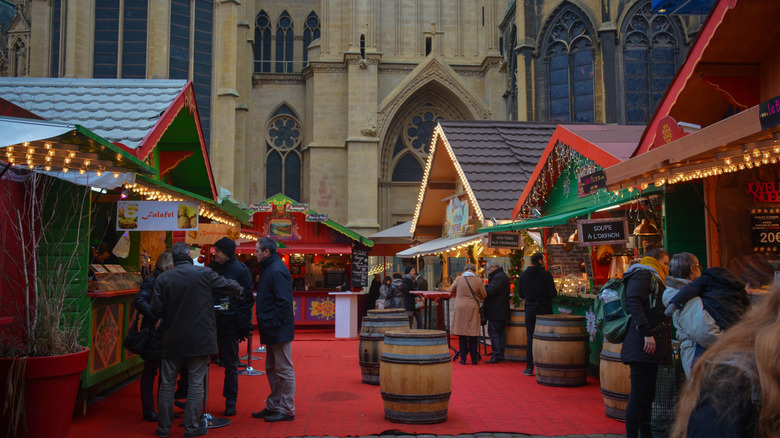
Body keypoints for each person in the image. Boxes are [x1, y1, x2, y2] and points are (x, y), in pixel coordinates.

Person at [151, 241, 242, 438]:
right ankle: (191, 427)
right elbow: (229, 287)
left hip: (173, 337)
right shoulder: (204, 274)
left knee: (167, 383)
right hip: (200, 337)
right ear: (189, 256)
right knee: (195, 382)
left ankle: (163, 427)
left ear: (174, 259)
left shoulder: (164, 278)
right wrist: (238, 287)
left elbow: (156, 309)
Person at [669, 284, 780, 438]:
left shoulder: (693, 299)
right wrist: (723, 339)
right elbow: (704, 332)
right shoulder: (734, 378)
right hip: (701, 352)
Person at [620, 247, 671, 438]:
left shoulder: (654, 276)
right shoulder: (644, 274)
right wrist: (646, 332)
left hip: (649, 344)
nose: (667, 267)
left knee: (647, 396)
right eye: (665, 263)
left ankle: (646, 434)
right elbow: (633, 300)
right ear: (656, 260)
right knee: (639, 396)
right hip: (642, 344)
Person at [251, 237, 296, 423]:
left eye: (257, 251)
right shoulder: (271, 268)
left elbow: (283, 302)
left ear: (266, 252)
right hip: (272, 327)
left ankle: (286, 409)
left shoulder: (276, 270)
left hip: (277, 328)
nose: (255, 254)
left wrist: (273, 323)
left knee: (284, 369)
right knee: (271, 367)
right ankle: (274, 404)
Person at [208, 237, 255, 417]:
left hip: (229, 322)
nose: (215, 254)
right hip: (211, 320)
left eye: (218, 251)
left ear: (227, 253)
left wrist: (242, 325)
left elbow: (247, 299)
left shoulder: (240, 270)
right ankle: (196, 399)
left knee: (230, 363)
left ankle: (231, 400)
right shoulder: (211, 268)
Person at [133, 250, 173, 422]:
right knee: (151, 371)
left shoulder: (169, 279)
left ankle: (164, 408)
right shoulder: (152, 280)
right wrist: (155, 317)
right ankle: (148, 409)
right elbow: (140, 301)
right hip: (155, 332)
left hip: (167, 330)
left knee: (166, 373)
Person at [662, 252, 713, 376]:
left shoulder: (684, 294)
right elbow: (703, 332)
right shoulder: (686, 297)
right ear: (692, 269)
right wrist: (729, 341)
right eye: (699, 267)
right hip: (696, 352)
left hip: (695, 350)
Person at [664, 266, 750, 332]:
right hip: (736, 320)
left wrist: (673, 304)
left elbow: (689, 290)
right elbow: (747, 304)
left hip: (717, 316)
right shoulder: (737, 285)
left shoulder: (706, 278)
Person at [516, 252, 557, 376]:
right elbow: (553, 294)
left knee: (530, 337)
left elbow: (521, 294)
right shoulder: (546, 274)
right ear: (539, 261)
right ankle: (547, 365)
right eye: (543, 260)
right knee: (547, 337)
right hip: (544, 308)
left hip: (530, 308)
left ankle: (529, 367)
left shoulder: (524, 275)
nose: (544, 262)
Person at [449, 263, 487, 365]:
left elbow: (450, 290)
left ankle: (463, 360)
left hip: (461, 307)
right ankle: (474, 359)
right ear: (474, 271)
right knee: (473, 334)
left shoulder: (459, 279)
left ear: (464, 270)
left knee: (462, 334)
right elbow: (484, 295)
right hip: (473, 308)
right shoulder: (478, 281)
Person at [483, 258, 511, 364]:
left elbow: (491, 291)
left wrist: (485, 288)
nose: (488, 271)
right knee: (500, 332)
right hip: (501, 309)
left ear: (493, 267)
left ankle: (497, 354)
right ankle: (500, 354)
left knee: (494, 332)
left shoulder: (498, 277)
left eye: (488, 269)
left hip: (496, 310)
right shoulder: (501, 276)